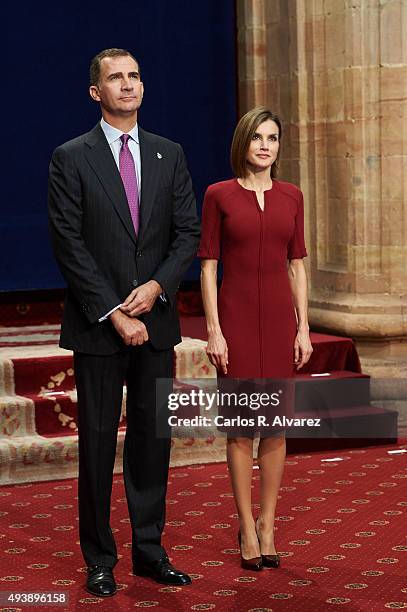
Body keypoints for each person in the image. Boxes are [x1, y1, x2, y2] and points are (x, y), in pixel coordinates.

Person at [48, 48, 200, 597]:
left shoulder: (169, 154)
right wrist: (114, 312)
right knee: (95, 443)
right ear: (97, 92)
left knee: (151, 442)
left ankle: (149, 551)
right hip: (98, 328)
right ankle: (99, 558)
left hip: (156, 322)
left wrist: (157, 287)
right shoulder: (71, 157)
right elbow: (68, 242)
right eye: (116, 78)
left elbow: (187, 233)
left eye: (135, 75)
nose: (129, 84)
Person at [198, 107, 312, 571]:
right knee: (243, 429)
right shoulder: (218, 195)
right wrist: (214, 331)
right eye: (257, 138)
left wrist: (303, 325)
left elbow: (297, 263)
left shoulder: (292, 196)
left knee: (277, 428)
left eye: (273, 138)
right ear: (242, 144)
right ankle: (245, 524)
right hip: (238, 321)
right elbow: (207, 266)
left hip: (281, 323)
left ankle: (268, 524)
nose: (265, 145)